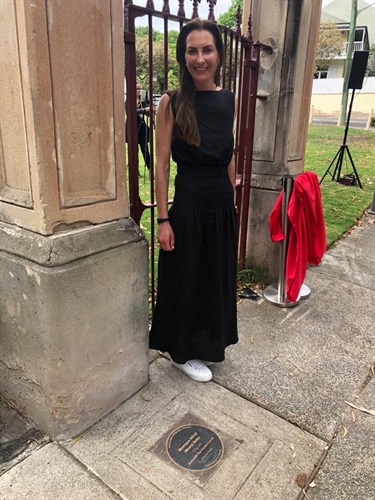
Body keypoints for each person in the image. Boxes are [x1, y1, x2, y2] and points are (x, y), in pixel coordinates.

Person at [149, 18, 238, 383]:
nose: (200, 58)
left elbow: (228, 154)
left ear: (218, 54)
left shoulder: (227, 99)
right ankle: (181, 352)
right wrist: (162, 219)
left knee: (213, 278)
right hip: (188, 205)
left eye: (207, 50)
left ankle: (207, 342)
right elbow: (159, 163)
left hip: (220, 204)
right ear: (183, 55)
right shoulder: (171, 102)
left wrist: (230, 202)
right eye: (192, 51)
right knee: (186, 278)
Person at [136, 82, 151, 170]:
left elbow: (147, 114)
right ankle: (135, 171)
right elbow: (131, 111)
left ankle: (150, 170)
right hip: (132, 129)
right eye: (136, 89)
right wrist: (144, 109)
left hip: (142, 129)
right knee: (134, 152)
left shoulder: (142, 101)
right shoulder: (129, 100)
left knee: (145, 150)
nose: (138, 91)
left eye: (139, 89)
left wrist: (150, 109)